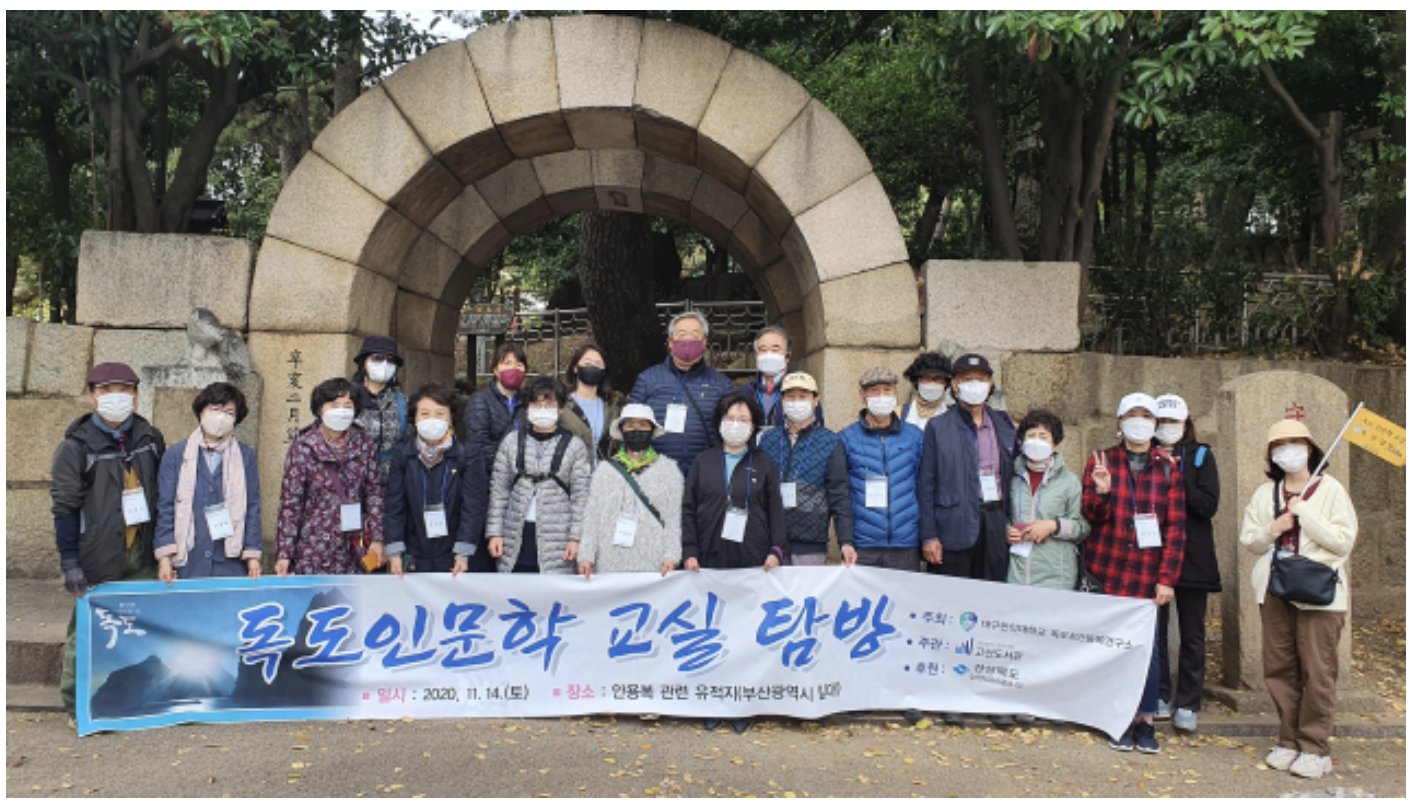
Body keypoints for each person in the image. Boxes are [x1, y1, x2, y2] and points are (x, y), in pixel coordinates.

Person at [1240, 419, 1356, 781]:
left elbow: (1343, 541)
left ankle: (1315, 746)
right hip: (1275, 587)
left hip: (1319, 591)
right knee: (1279, 666)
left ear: (1310, 448)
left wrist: (1305, 513)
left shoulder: (1331, 490)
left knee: (1318, 669)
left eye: (1294, 443)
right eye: (1279, 445)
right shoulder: (1266, 493)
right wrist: (1272, 529)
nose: (1287, 451)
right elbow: (1250, 540)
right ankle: (1288, 739)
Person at [50, 363, 165, 717]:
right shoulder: (75, 448)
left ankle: (133, 703)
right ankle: (77, 707)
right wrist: (70, 562)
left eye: (125, 390)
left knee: (141, 631)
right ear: (91, 396)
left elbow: (163, 497)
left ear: (136, 395)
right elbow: (65, 508)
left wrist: (164, 552)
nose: (116, 397)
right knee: (87, 633)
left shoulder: (150, 440)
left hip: (142, 553)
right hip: (97, 555)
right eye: (106, 390)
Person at [1082, 392, 1186, 755]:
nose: (1138, 421)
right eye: (1131, 414)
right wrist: (1103, 494)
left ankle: (1145, 719)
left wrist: (1167, 578)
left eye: (1146, 415)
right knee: (1112, 646)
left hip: (1147, 573)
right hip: (1108, 568)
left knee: (1149, 650)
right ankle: (1118, 717)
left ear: (1155, 424)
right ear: (1120, 420)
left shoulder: (1168, 468)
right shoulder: (1102, 461)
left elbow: (1175, 529)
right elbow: (1091, 516)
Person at [918, 353, 1017, 726]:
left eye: (981, 378)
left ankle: (989, 692)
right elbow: (926, 484)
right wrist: (929, 534)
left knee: (991, 611)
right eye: (966, 379)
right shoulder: (938, 427)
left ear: (990, 385)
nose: (974, 385)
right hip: (953, 525)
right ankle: (950, 691)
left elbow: (1015, 477)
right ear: (955, 386)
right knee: (952, 611)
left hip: (995, 523)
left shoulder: (1004, 425)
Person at [681, 390, 787, 734]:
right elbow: (688, 509)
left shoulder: (765, 463)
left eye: (744, 419)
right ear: (719, 422)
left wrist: (776, 550)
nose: (736, 424)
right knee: (713, 632)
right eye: (730, 418)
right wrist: (689, 551)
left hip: (752, 559)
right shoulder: (703, 461)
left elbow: (776, 511)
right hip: (709, 558)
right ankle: (714, 701)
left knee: (746, 633)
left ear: (754, 426)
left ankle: (744, 704)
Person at [1152, 394, 1221, 733]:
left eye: (1173, 422)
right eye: (1162, 422)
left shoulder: (1201, 455)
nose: (1168, 428)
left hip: (1193, 555)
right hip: (1156, 554)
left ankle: (1189, 702)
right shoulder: (1146, 455)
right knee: (1157, 631)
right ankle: (1160, 693)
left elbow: (1208, 505)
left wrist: (1179, 477)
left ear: (1186, 423)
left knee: (1193, 633)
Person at [275, 378, 386, 576]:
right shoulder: (303, 447)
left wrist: (377, 538)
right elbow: (291, 503)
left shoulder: (364, 443)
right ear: (320, 409)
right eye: (334, 405)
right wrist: (284, 553)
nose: (341, 411)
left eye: (347, 405)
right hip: (313, 548)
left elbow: (374, 492)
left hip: (355, 545)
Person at [154, 383, 262, 582]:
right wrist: (165, 559)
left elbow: (252, 507)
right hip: (187, 561)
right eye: (215, 409)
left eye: (229, 412)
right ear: (201, 411)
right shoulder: (176, 455)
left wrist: (252, 555)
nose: (221, 417)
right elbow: (165, 507)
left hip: (230, 562)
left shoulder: (245, 457)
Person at [484, 376, 592, 574]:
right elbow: (499, 490)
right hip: (514, 537)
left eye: (549, 404)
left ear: (560, 409)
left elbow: (581, 497)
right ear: (526, 409)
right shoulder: (511, 442)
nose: (542, 409)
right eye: (536, 404)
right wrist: (494, 533)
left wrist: (576, 539)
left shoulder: (575, 446)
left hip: (558, 541)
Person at [382, 384, 489, 575]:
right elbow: (394, 505)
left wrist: (463, 551)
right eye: (424, 413)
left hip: (455, 554)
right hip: (415, 551)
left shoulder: (467, 454)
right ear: (415, 418)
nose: (432, 419)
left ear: (451, 417)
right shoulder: (403, 454)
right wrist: (395, 550)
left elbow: (474, 505)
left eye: (440, 414)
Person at [757, 372, 853, 566]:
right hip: (769, 540)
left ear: (815, 401)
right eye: (790, 396)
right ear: (782, 401)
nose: (796, 402)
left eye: (803, 396)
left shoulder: (830, 442)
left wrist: (846, 541)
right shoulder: (768, 439)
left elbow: (839, 494)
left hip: (810, 543)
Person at [578, 403, 683, 579]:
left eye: (643, 425)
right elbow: (592, 516)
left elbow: (673, 519)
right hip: (609, 562)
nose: (636, 430)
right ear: (622, 430)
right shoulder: (605, 470)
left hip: (653, 564)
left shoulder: (669, 470)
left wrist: (672, 556)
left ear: (651, 430)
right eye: (630, 425)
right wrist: (586, 556)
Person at [628, 311, 736, 476]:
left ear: (704, 342)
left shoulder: (721, 384)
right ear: (670, 342)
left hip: (705, 475)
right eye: (682, 334)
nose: (688, 340)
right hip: (655, 474)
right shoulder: (647, 379)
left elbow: (732, 430)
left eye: (695, 335)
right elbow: (629, 427)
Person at [839, 367, 924, 572]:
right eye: (874, 391)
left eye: (887, 390)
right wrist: (846, 541)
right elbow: (841, 494)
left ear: (896, 394)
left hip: (906, 543)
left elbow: (925, 488)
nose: (881, 396)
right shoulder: (846, 438)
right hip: (863, 545)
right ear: (862, 396)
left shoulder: (914, 436)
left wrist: (927, 535)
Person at [1005, 409, 1088, 590]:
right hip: (1017, 573)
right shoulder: (1011, 477)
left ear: (1055, 444)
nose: (1036, 441)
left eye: (1043, 436)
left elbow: (1082, 527)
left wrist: (1053, 526)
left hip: (1056, 575)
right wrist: (1007, 531)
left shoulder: (1069, 481)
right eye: (1031, 435)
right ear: (1022, 441)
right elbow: (1004, 515)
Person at [462, 342, 528, 571]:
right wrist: (513, 464)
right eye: (507, 363)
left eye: (519, 364)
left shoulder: (527, 402)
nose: (513, 369)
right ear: (495, 369)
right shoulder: (481, 400)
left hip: (520, 488)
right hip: (488, 484)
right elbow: (478, 445)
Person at [742, 325, 822, 430]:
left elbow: (818, 431)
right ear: (756, 356)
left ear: (787, 356)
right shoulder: (744, 392)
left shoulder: (803, 392)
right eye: (763, 349)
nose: (769, 355)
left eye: (775, 349)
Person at [351, 335, 406, 482]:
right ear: (364, 363)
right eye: (377, 357)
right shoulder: (347, 399)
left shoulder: (402, 402)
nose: (385, 364)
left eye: (391, 360)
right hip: (354, 480)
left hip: (393, 481)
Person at [561, 342, 624, 464]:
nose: (593, 367)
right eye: (587, 363)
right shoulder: (561, 404)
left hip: (605, 473)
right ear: (575, 368)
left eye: (598, 364)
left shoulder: (614, 406)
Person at [901, 351, 952, 431]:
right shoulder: (899, 413)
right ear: (917, 381)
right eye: (926, 378)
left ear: (945, 383)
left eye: (937, 378)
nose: (932, 383)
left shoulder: (954, 417)